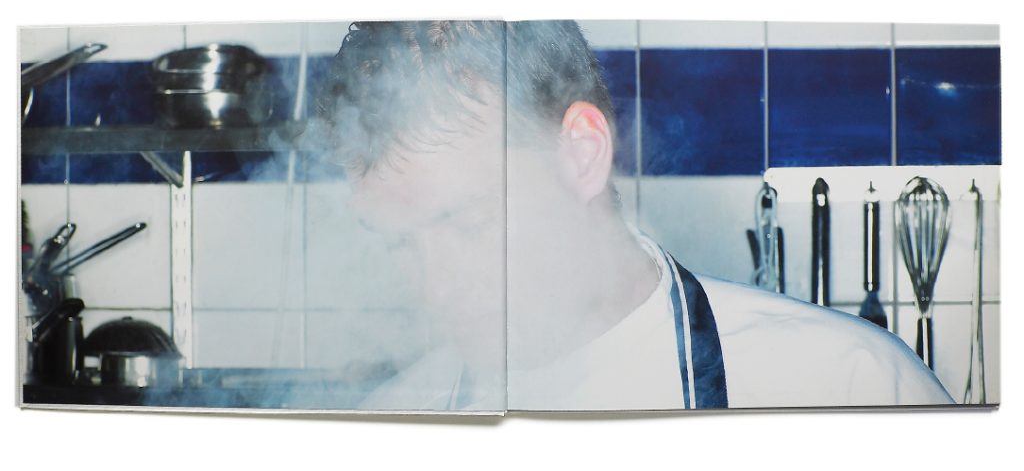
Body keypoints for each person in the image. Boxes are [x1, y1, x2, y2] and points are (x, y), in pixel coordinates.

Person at [315, 20, 954, 411]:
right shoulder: (402, 417)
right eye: (399, 242)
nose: (434, 287)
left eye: (468, 222)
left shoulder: (848, 389)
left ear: (582, 154)